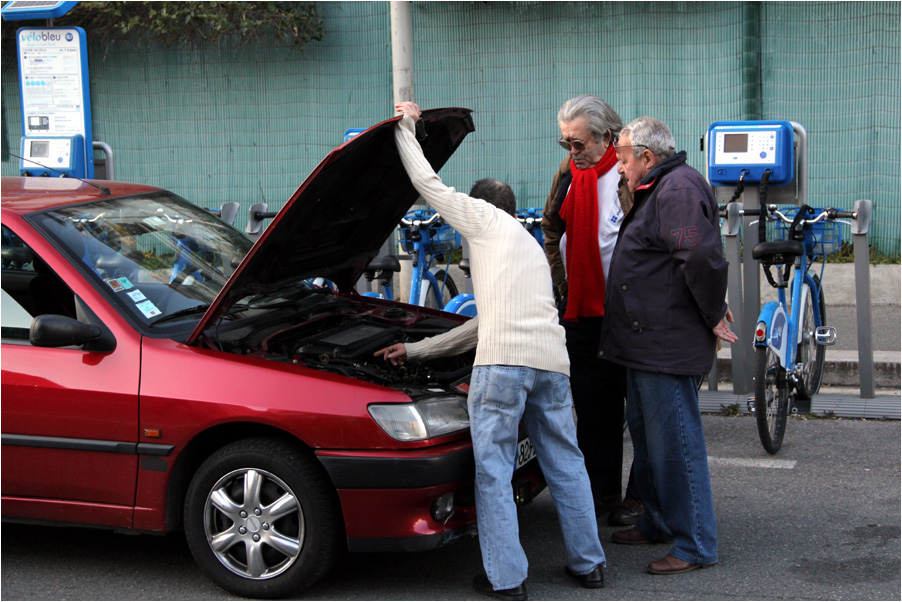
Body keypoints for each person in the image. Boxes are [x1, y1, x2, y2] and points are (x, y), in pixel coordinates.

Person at [376, 102, 605, 600]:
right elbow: (486, 323)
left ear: (478, 206)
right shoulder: (525, 244)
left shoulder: (479, 219)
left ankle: (506, 579)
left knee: (495, 472)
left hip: (503, 369)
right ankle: (590, 564)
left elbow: (427, 185)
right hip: (552, 365)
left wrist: (405, 128)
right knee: (566, 462)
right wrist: (418, 353)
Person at [600, 116, 738, 575]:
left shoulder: (676, 189)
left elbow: (697, 255)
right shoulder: (661, 185)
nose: (618, 168)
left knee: (675, 445)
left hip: (664, 343)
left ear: (646, 157)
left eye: (621, 158)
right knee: (650, 441)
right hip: (645, 341)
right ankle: (658, 521)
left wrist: (714, 310)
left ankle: (696, 542)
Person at [541, 95, 642, 526]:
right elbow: (551, 227)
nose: (571, 152)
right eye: (565, 143)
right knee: (594, 411)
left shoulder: (630, 173)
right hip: (581, 311)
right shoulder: (569, 172)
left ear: (606, 137)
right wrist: (562, 286)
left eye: (578, 144)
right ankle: (602, 500)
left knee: (641, 411)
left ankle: (642, 499)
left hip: (629, 312)